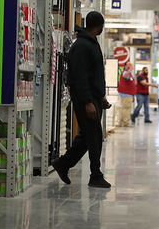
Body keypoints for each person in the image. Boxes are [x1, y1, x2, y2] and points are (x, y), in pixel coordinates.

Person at [51, 11, 112, 188]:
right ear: (99, 26)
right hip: (85, 99)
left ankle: (63, 164)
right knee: (94, 137)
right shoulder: (82, 46)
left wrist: (101, 96)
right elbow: (79, 77)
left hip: (93, 98)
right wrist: (87, 102)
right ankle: (95, 175)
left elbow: (95, 74)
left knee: (87, 137)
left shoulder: (92, 44)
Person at [117, 61, 136, 127]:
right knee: (127, 108)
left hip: (128, 94)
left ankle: (122, 122)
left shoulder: (129, 73)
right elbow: (125, 76)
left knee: (124, 108)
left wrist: (133, 95)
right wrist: (130, 69)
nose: (131, 66)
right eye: (130, 65)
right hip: (126, 94)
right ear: (126, 66)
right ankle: (125, 122)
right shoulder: (125, 72)